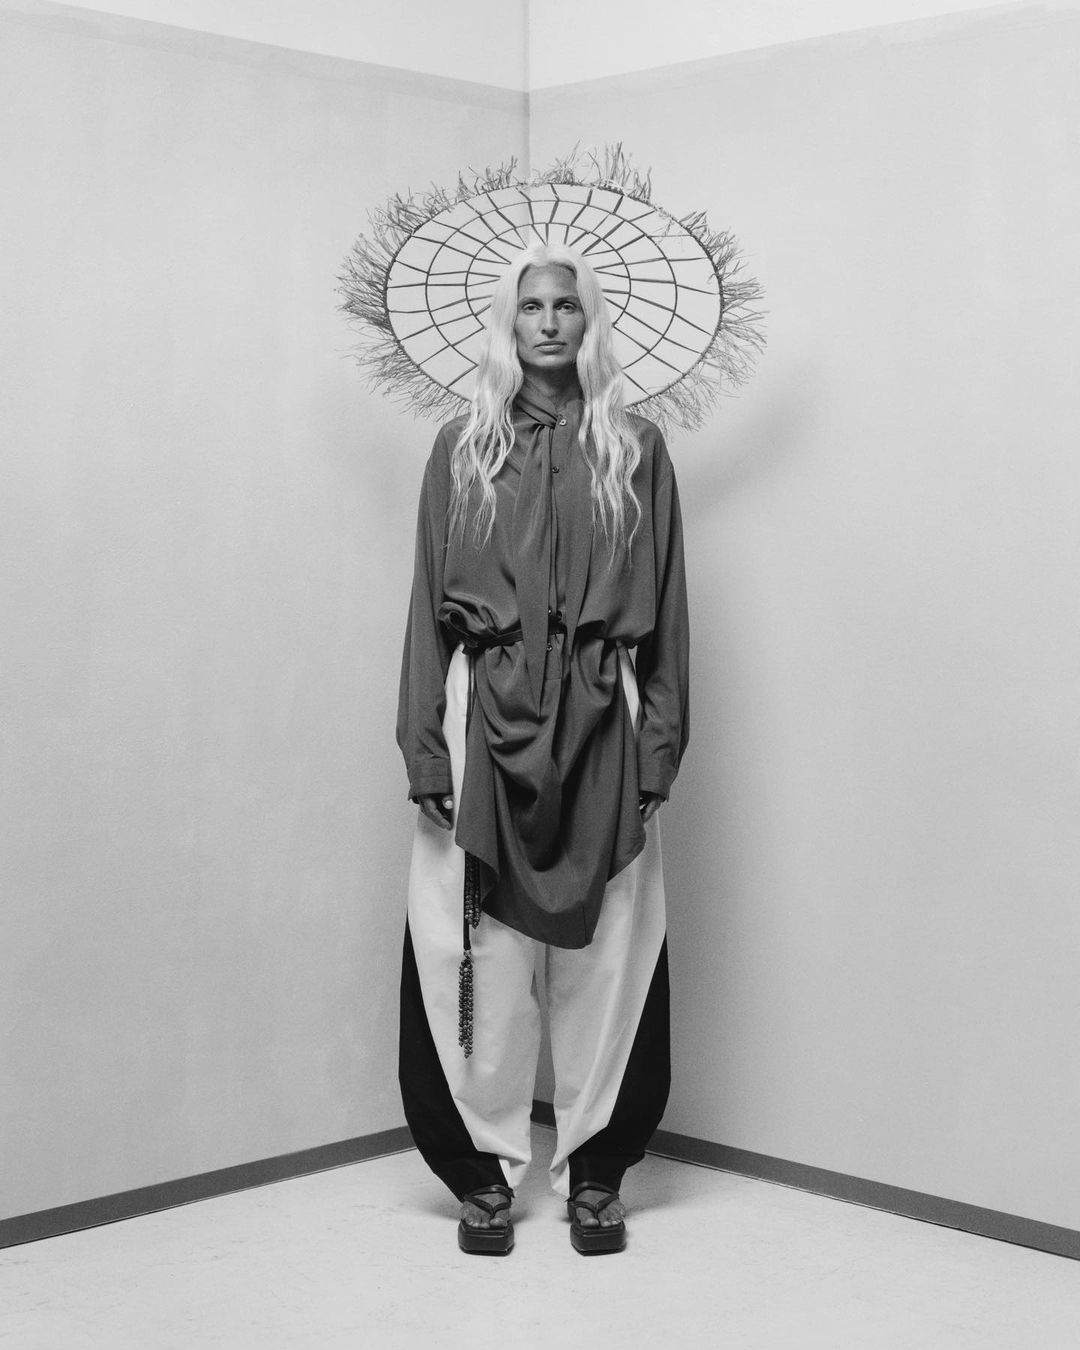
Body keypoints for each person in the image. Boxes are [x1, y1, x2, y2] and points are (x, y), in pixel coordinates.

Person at [396, 241, 689, 1255]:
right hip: (483, 715)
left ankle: (597, 1171)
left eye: (568, 304)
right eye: (532, 306)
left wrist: (658, 752)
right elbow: (425, 611)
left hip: (606, 719)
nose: (551, 321)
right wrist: (424, 750)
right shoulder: (461, 448)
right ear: (508, 323)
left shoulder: (637, 449)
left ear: (591, 320)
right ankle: (482, 1173)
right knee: (471, 947)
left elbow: (669, 615)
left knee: (612, 949)